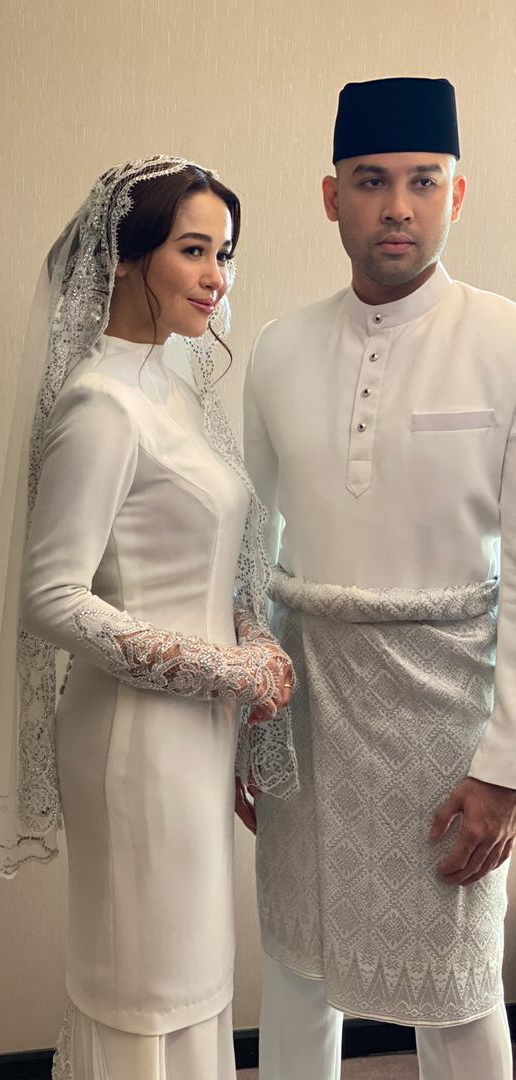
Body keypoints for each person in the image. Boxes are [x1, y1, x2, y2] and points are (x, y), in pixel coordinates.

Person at [0, 156, 295, 1080]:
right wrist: (228, 669)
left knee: (191, 975)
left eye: (223, 253)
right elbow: (52, 596)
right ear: (123, 256)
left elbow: (211, 557)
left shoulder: (177, 390)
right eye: (193, 250)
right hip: (134, 741)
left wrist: (254, 639)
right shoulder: (101, 403)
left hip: (196, 733)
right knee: (144, 983)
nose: (216, 276)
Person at [239, 77, 516, 1079]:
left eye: (421, 181)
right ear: (331, 198)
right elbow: (250, 553)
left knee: (457, 988)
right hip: (306, 714)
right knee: (296, 966)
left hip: (450, 728)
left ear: (457, 195)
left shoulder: (506, 340)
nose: (397, 206)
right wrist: (246, 726)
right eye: (370, 181)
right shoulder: (278, 348)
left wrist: (504, 767)